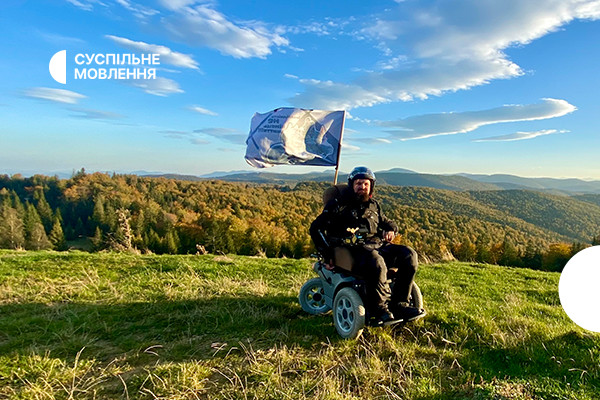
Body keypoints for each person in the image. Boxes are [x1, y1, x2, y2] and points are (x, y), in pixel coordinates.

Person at [310, 166, 424, 323]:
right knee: (376, 262)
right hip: (349, 251)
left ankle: (400, 304)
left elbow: (387, 222)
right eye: (358, 183)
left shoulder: (374, 205)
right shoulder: (338, 205)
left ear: (371, 186)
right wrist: (327, 254)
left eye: (365, 184)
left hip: (376, 247)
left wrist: (391, 229)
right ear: (352, 185)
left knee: (409, 255)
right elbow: (316, 229)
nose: (362, 187)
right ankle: (379, 309)